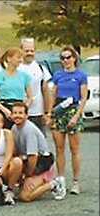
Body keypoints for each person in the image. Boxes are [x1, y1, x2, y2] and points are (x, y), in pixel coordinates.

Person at [48, 46, 88, 198]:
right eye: (63, 58)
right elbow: (53, 93)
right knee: (59, 148)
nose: (66, 60)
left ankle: (76, 181)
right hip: (59, 110)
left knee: (74, 148)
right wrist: (50, 113)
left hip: (73, 110)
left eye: (68, 57)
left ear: (74, 58)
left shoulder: (81, 75)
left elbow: (83, 97)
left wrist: (77, 116)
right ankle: (61, 179)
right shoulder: (58, 75)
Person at [11, 102, 65, 202]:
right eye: (14, 113)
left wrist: (28, 175)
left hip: (41, 164)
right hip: (27, 160)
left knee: (25, 197)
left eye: (20, 113)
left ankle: (53, 183)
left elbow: (33, 157)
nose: (17, 115)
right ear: (11, 115)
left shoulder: (29, 130)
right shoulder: (14, 128)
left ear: (26, 115)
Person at [0, 47, 33, 129]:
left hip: (19, 108)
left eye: (21, 58)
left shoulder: (25, 76)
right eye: (18, 57)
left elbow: (30, 97)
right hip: (4, 108)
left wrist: (23, 110)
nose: (20, 60)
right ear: (9, 59)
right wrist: (5, 110)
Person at [18, 38, 52, 135]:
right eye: (27, 51)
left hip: (37, 114)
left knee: (39, 143)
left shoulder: (41, 69)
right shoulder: (16, 68)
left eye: (32, 51)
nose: (29, 53)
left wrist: (47, 113)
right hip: (19, 114)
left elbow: (46, 91)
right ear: (21, 50)